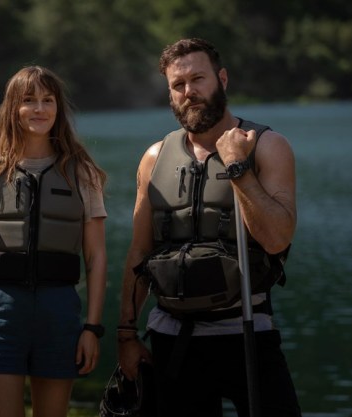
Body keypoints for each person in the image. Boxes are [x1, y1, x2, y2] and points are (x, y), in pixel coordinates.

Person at [117, 38, 302, 417]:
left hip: (247, 333)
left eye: (198, 79)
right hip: (173, 339)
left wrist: (237, 168)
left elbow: (277, 238)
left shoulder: (267, 146)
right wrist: (126, 336)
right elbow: (138, 253)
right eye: (178, 85)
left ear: (222, 79)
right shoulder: (154, 157)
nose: (189, 92)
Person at [0, 66, 107, 417]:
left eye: (47, 100)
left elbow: (96, 258)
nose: (40, 109)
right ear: (12, 109)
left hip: (59, 312)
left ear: (58, 108)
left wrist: (92, 328)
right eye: (29, 100)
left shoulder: (82, 172)